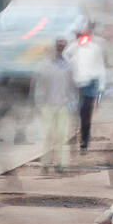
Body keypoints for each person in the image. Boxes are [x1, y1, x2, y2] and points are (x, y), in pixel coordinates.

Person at [34, 38, 77, 173]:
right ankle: (45, 164)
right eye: (58, 44)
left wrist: (72, 102)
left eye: (63, 44)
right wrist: (39, 104)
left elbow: (71, 87)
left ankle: (60, 164)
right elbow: (39, 87)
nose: (60, 47)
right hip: (47, 106)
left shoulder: (68, 65)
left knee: (61, 136)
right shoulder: (43, 66)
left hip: (63, 106)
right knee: (47, 135)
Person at [65, 22, 106, 152]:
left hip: (91, 83)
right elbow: (65, 57)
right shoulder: (74, 47)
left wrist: (101, 86)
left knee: (86, 112)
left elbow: (100, 67)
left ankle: (85, 139)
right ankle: (76, 134)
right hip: (77, 83)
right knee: (77, 111)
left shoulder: (95, 48)